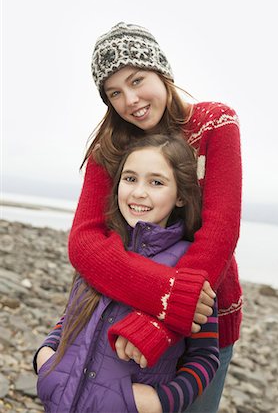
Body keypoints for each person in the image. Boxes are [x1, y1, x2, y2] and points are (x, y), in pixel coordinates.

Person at [35, 22, 243, 412]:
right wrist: (167, 297)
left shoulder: (215, 123)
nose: (130, 100)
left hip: (202, 321)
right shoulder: (111, 145)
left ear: (161, 71)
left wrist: (162, 321)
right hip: (117, 318)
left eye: (137, 80)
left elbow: (220, 232)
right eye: (114, 92)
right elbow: (84, 242)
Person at [35, 134, 220, 413]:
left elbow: (205, 356)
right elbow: (73, 313)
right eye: (130, 179)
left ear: (181, 195)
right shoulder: (98, 250)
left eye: (156, 182)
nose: (138, 192)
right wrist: (47, 357)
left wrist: (159, 402)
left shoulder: (190, 269)